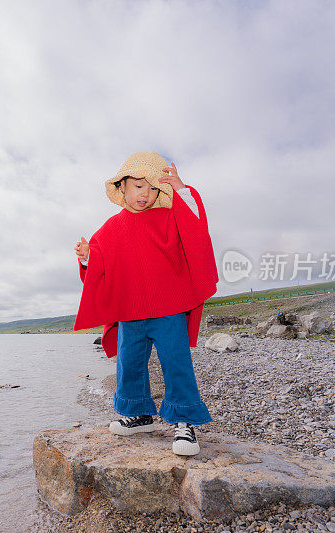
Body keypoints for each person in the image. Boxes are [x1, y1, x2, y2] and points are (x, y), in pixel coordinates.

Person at [73, 151, 219, 455]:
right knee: (129, 362)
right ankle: (138, 415)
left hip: (169, 305)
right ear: (123, 186)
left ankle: (184, 422)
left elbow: (196, 227)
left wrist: (181, 190)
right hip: (131, 310)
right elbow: (99, 265)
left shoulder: (169, 217)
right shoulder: (112, 227)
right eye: (139, 185)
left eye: (153, 188)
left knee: (176, 361)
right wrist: (88, 257)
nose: (146, 194)